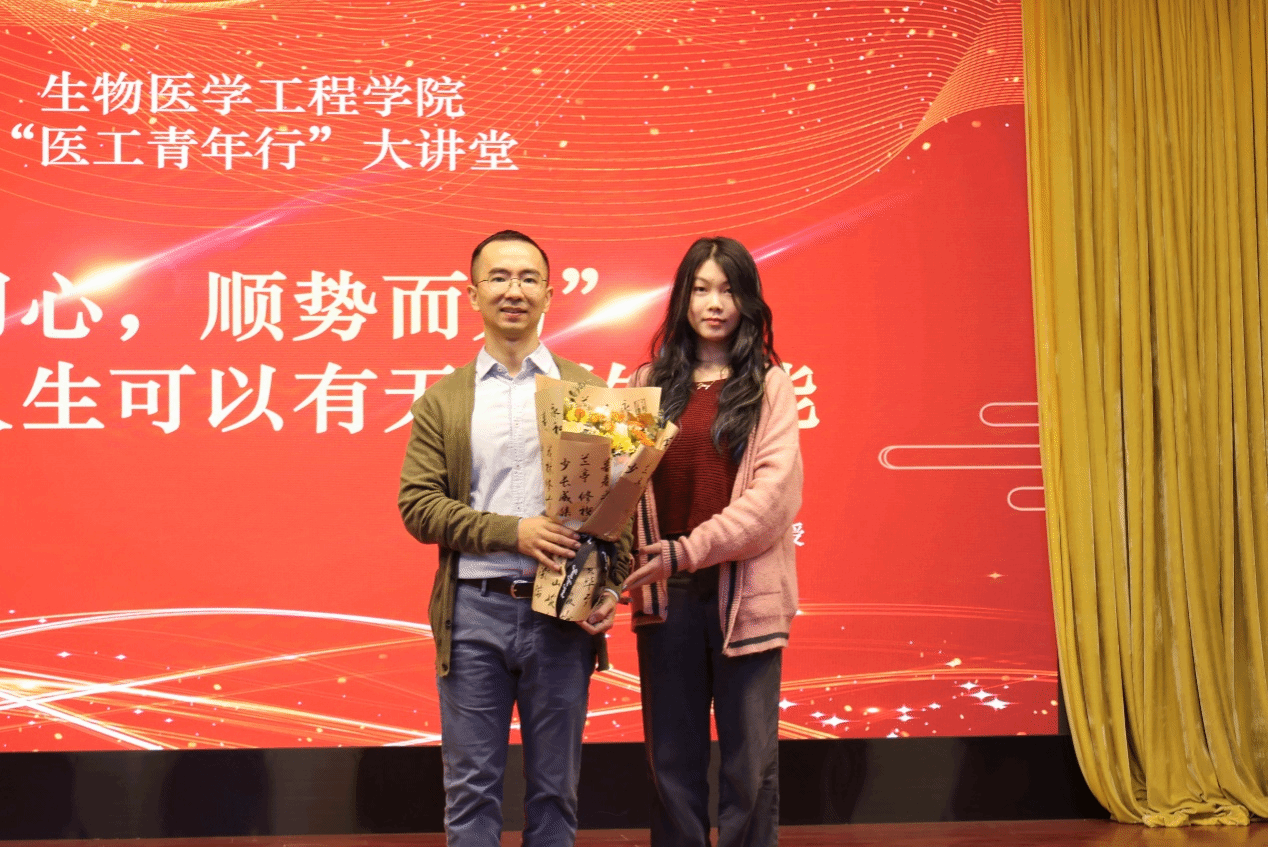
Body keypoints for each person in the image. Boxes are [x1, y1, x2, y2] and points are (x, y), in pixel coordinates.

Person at [398, 230, 629, 847]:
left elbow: (617, 514)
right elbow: (418, 507)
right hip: (474, 613)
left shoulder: (586, 391)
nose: (513, 290)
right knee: (472, 791)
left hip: (561, 614)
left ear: (550, 294)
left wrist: (609, 589)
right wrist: (514, 532)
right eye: (498, 277)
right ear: (472, 294)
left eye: (528, 278)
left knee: (555, 792)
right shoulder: (445, 400)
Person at [623, 236, 803, 847]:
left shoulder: (770, 385)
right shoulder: (644, 385)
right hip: (666, 595)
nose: (715, 303)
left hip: (744, 596)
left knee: (749, 766)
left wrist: (687, 550)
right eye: (701, 289)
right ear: (683, 298)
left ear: (747, 299)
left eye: (728, 289)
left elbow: (772, 503)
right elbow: (615, 497)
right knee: (670, 762)